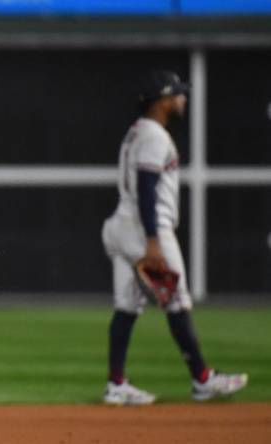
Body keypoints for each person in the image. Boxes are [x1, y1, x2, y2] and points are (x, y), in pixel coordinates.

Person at [101, 70, 247, 405]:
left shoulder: (135, 132)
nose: (182, 98)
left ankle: (116, 383)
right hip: (145, 229)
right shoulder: (155, 136)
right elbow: (148, 189)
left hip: (121, 225)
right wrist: (153, 239)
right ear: (163, 100)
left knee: (127, 305)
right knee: (176, 300)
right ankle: (202, 378)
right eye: (177, 94)